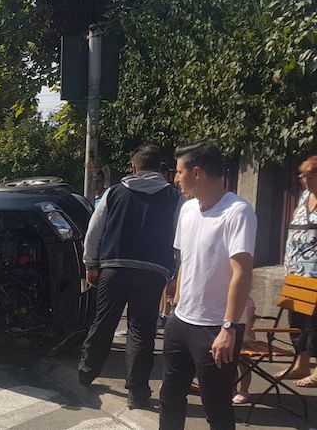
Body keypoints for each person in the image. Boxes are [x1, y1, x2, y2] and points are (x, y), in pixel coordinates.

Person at [160, 140, 257, 430]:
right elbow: (186, 261)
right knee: (170, 397)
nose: (175, 178)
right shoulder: (188, 210)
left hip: (216, 327)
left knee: (216, 406)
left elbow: (242, 273)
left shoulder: (237, 212)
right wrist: (175, 307)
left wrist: (228, 328)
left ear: (197, 173)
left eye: (179, 172)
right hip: (182, 321)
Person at [78, 144, 180, 409]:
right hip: (153, 272)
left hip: (114, 268)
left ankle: (86, 373)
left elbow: (94, 231)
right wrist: (174, 272)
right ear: (160, 169)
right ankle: (137, 392)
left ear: (134, 168)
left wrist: (91, 263)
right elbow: (181, 238)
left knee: (103, 322)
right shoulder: (175, 198)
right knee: (141, 331)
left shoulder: (113, 193)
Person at [275, 155, 317, 386]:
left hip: (316, 273)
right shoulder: (304, 197)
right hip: (296, 272)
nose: (305, 181)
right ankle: (301, 364)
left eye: (310, 176)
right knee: (297, 320)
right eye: (303, 176)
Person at [232, 297, 256, 405]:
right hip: (231, 336)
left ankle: (244, 390)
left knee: (244, 365)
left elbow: (250, 320)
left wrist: (246, 335)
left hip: (245, 337)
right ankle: (232, 389)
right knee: (230, 364)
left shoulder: (248, 301)